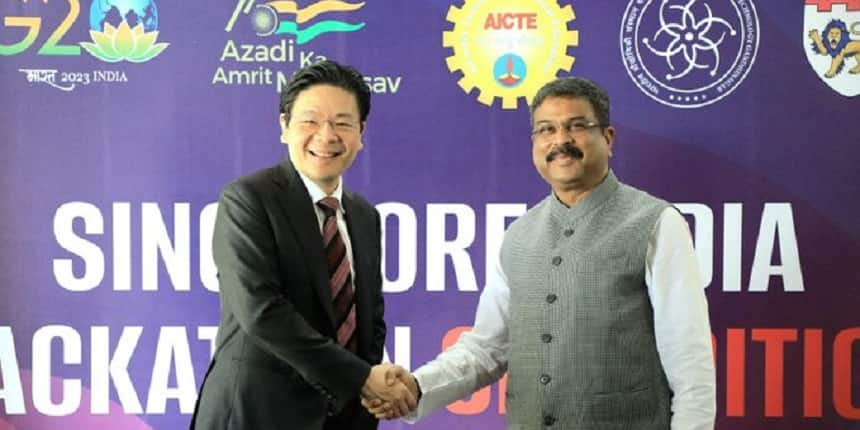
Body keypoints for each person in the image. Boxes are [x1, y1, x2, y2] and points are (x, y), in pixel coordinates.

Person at [365, 76, 716, 429]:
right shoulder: (518, 236)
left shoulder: (657, 223)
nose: (560, 140)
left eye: (576, 126)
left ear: (607, 139)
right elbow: (487, 348)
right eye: (546, 129)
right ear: (534, 143)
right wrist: (417, 387)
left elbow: (690, 365)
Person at [190, 60, 415, 430]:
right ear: (284, 127)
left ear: (361, 132)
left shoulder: (363, 215)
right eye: (310, 120)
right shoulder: (248, 199)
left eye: (342, 122)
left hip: (343, 416)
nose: (326, 136)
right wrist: (360, 378)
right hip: (256, 415)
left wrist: (370, 391)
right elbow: (261, 311)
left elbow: (368, 320)